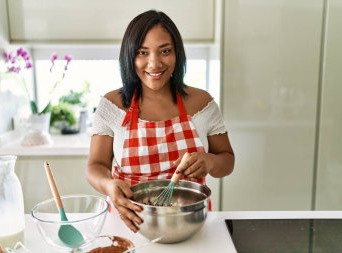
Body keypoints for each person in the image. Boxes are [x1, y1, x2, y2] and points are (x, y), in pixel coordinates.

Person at [87, 10, 235, 233]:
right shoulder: (112, 106)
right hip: (129, 224)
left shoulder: (202, 103)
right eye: (142, 52)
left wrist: (210, 162)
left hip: (189, 224)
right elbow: (95, 166)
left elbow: (227, 161)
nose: (154, 63)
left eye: (165, 51)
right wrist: (108, 185)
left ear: (177, 53)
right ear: (129, 56)